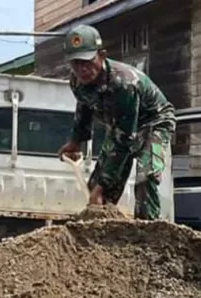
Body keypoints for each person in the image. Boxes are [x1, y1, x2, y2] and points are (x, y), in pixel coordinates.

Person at [56, 24, 176, 220]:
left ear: (102, 56)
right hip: (120, 126)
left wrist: (103, 184)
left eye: (87, 61)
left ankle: (147, 233)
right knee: (95, 187)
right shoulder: (77, 81)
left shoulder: (123, 84)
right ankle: (103, 230)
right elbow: (84, 106)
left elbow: (125, 140)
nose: (82, 69)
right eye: (76, 63)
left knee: (145, 178)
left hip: (153, 121)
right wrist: (76, 141)